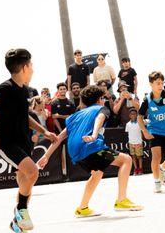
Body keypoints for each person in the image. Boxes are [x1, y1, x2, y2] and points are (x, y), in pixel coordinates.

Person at [0, 48, 58, 233]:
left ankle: (17, 224)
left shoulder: (25, 90)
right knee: (32, 172)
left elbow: (26, 117)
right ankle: (21, 209)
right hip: (7, 142)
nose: (33, 69)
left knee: (25, 180)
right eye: (31, 65)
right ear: (24, 67)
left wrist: (44, 131)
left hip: (24, 141)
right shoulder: (5, 88)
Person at [40, 85, 143, 217]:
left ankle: (82, 208)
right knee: (126, 160)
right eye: (102, 98)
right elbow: (100, 118)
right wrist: (94, 135)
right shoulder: (101, 108)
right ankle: (121, 200)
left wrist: (46, 155)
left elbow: (60, 137)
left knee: (97, 173)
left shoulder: (75, 115)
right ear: (99, 99)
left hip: (75, 152)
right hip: (90, 147)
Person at [125, 109, 143, 175]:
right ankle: (136, 169)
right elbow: (128, 133)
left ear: (136, 115)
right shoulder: (128, 124)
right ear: (129, 115)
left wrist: (140, 141)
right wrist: (131, 142)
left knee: (139, 156)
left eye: (134, 114)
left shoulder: (139, 123)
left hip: (138, 142)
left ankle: (140, 169)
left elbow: (142, 131)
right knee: (133, 156)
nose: (133, 115)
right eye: (132, 114)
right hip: (131, 142)